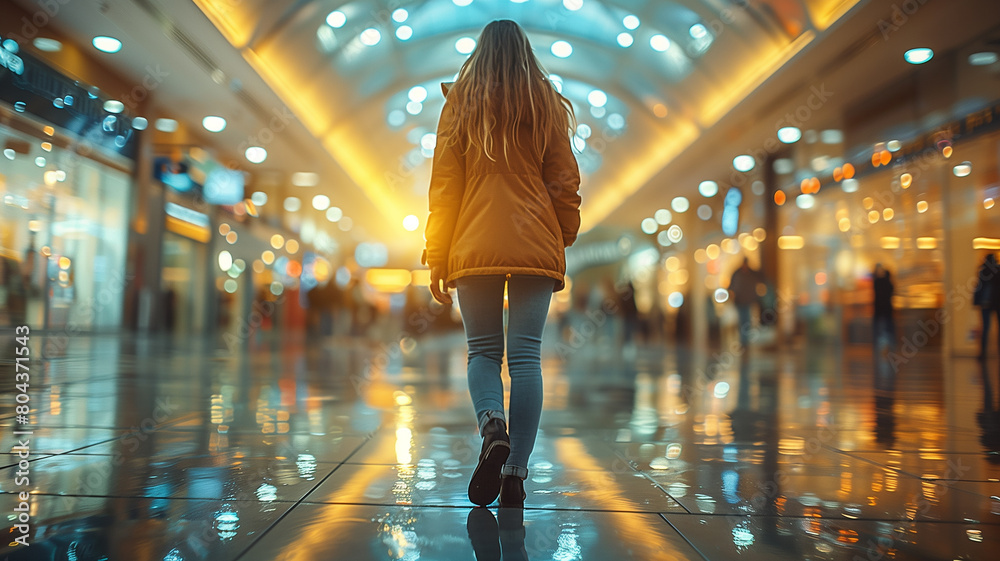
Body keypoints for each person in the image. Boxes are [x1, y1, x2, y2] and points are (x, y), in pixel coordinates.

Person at [423, 20, 581, 509]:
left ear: (479, 55)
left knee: (483, 352)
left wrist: (437, 252)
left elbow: (444, 185)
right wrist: (563, 233)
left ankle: (492, 423)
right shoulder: (545, 104)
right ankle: (514, 474)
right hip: (534, 239)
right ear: (527, 55)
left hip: (473, 243)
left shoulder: (460, 102)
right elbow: (564, 179)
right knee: (527, 357)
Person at [728, 257, 760, 347]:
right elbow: (732, 286)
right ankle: (743, 340)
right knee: (743, 320)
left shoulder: (750, 274)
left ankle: (745, 340)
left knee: (746, 321)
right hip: (739, 301)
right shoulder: (738, 273)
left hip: (747, 301)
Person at [974, 254, 999, 360]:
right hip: (997, 303)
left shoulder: (982, 271)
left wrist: (976, 301)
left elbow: (979, 287)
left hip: (985, 303)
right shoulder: (998, 270)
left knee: (985, 328)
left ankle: (983, 353)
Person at [872, 264, 895, 350]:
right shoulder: (889, 283)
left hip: (879, 308)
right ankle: (891, 342)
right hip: (886, 308)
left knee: (878, 327)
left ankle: (877, 342)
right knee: (888, 326)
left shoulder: (878, 282)